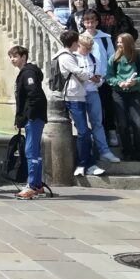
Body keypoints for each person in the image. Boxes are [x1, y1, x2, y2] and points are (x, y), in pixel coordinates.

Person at [56, 31, 108, 178]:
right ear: (73, 43)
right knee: (84, 132)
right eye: (77, 43)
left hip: (80, 95)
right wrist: (93, 77)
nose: (78, 45)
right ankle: (83, 164)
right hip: (73, 97)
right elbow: (79, 72)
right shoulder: (65, 56)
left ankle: (87, 164)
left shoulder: (70, 55)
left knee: (85, 132)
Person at [81, 10, 121, 157]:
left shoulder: (105, 38)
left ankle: (110, 131)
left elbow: (111, 57)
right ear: (84, 23)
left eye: (92, 21)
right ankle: (95, 133)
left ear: (97, 22)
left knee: (107, 105)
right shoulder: (80, 38)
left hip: (103, 78)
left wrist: (105, 75)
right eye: (87, 22)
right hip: (88, 79)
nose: (90, 24)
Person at [11, 44, 47, 200]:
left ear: (23, 57)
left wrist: (28, 116)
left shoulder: (28, 73)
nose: (13, 60)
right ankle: (38, 185)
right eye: (11, 57)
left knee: (31, 151)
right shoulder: (27, 72)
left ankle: (31, 186)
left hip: (33, 117)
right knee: (35, 152)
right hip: (34, 116)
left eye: (15, 57)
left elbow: (34, 95)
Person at [107, 33, 140, 161]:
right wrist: (118, 82)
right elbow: (108, 76)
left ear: (129, 43)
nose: (119, 44)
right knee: (123, 124)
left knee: (137, 123)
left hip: (134, 92)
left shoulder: (138, 58)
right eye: (118, 42)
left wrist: (135, 81)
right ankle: (127, 151)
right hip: (118, 93)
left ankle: (139, 151)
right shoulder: (113, 58)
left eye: (122, 42)